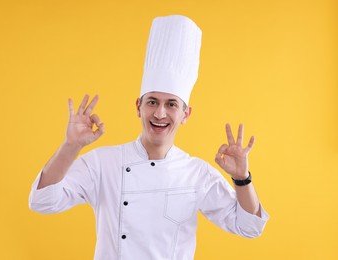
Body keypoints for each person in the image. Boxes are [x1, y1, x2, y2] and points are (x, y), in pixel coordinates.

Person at [29, 15, 269, 259]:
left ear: (186, 114)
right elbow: (42, 202)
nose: (160, 113)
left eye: (172, 104)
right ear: (138, 107)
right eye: (152, 102)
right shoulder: (104, 163)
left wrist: (242, 179)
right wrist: (70, 146)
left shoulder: (196, 173)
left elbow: (249, 227)